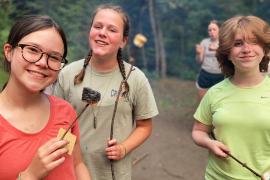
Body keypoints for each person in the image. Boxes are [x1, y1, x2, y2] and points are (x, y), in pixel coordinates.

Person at [53, 4, 158, 180]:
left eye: (112, 29)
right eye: (98, 26)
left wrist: (124, 148)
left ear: (123, 41)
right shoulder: (68, 73)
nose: (102, 33)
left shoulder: (135, 78)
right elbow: (57, 124)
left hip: (113, 174)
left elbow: (145, 126)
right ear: (90, 31)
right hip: (71, 171)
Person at [0, 15, 91, 179]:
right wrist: (30, 175)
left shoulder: (65, 112)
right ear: (9, 51)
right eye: (33, 50)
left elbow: (77, 165)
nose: (42, 62)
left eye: (54, 57)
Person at [191, 15, 270, 180]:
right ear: (227, 53)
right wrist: (210, 143)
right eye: (238, 43)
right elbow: (199, 131)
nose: (246, 49)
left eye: (254, 41)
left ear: (265, 49)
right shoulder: (214, 92)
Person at [195, 20, 224, 100]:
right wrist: (198, 53)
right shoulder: (204, 42)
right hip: (205, 74)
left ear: (220, 30)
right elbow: (199, 61)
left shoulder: (224, 42)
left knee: (219, 102)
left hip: (221, 75)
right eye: (209, 30)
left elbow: (229, 60)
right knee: (203, 102)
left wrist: (217, 50)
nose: (211, 32)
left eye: (214, 29)